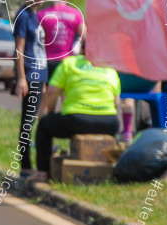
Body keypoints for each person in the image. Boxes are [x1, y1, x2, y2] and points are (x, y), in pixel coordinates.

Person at [34, 46, 121, 177]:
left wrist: (46, 112)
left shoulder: (69, 63)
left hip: (77, 120)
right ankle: (110, 170)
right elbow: (116, 103)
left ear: (81, 50)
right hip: (109, 123)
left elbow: (52, 93)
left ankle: (43, 172)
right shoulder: (110, 69)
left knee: (44, 126)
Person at [12, 0, 49, 174]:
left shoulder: (36, 15)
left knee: (37, 120)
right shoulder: (24, 16)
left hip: (40, 74)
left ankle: (38, 164)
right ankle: (25, 166)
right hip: (30, 74)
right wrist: (21, 78)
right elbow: (19, 48)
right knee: (28, 121)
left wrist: (43, 80)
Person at [38, 0, 85, 79]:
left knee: (47, 92)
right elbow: (84, 36)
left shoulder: (41, 14)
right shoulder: (75, 14)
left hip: (46, 61)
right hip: (67, 61)